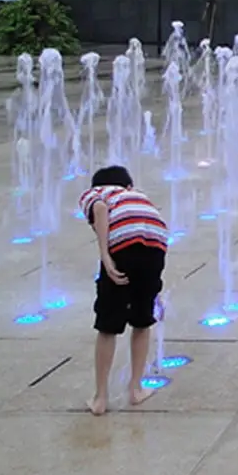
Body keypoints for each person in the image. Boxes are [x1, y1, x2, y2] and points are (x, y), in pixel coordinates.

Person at [78, 165, 168, 416]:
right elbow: (148, 230)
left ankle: (100, 397)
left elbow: (99, 209)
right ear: (128, 185)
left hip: (123, 248)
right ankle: (136, 389)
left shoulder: (97, 194)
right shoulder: (138, 196)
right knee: (142, 321)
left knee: (108, 324)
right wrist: (154, 291)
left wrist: (105, 254)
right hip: (156, 247)